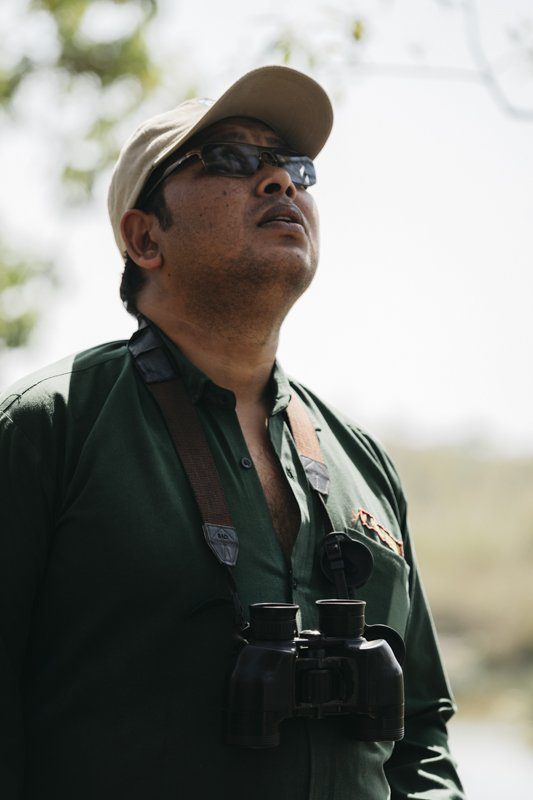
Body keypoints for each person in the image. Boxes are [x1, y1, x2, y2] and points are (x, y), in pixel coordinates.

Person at [0, 66, 465, 799]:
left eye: (293, 166)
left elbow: (421, 728)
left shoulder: (360, 460)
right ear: (145, 237)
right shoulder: (46, 428)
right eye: (231, 159)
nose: (279, 180)